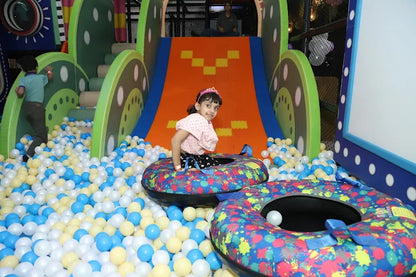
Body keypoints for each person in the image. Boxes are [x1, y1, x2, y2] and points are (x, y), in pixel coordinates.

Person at [171, 87, 223, 171]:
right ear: (198, 106)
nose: (212, 111)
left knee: (220, 163)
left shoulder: (204, 120)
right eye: (208, 106)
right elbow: (175, 140)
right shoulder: (195, 119)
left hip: (194, 157)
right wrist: (178, 166)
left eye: (216, 108)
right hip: (187, 159)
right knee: (216, 169)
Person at [15, 55, 52, 162]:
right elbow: (50, 78)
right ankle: (27, 155)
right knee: (40, 135)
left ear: (23, 70)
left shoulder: (23, 80)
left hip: (27, 109)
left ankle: (43, 147)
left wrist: (17, 91)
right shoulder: (40, 78)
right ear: (36, 67)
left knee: (41, 130)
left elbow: (21, 92)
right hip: (37, 108)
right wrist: (49, 71)